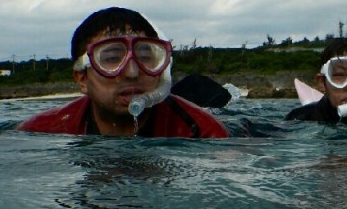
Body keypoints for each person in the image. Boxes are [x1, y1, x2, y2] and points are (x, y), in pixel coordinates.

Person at [18, 7, 230, 137]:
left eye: (145, 56)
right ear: (82, 78)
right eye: (112, 59)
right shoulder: (42, 131)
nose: (132, 72)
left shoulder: (204, 133)